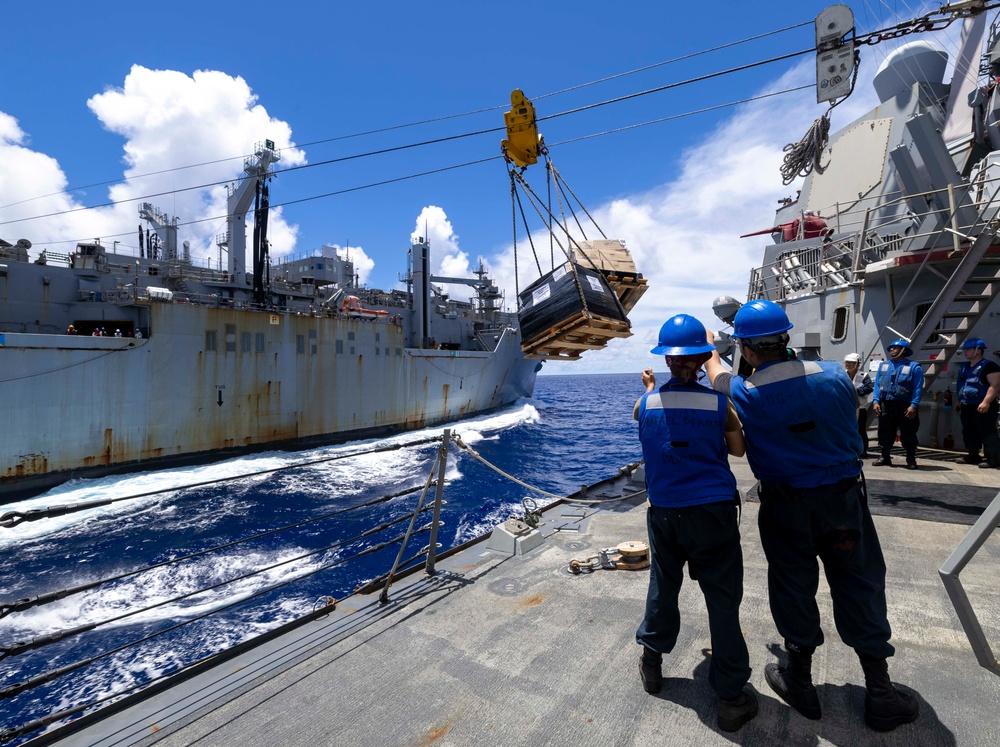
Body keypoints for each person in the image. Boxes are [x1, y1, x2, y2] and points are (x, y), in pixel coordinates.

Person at [703, 299, 917, 732]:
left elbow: (718, 375)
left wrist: (710, 346)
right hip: (843, 502)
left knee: (793, 588)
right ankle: (880, 693)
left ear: (745, 348)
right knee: (860, 584)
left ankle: (799, 681)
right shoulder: (838, 374)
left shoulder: (744, 393)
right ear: (787, 338)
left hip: (786, 509)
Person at [633, 314, 757, 733]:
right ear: (703, 359)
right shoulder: (719, 403)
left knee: (663, 587)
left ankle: (652, 662)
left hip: (665, 513)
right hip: (712, 515)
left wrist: (652, 388)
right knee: (722, 600)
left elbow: (646, 413)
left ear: (667, 360)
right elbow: (738, 450)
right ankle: (730, 698)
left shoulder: (645, 404)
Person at [871, 340, 924, 470]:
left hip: (905, 405)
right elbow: (877, 384)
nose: (891, 350)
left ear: (903, 350)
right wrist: (876, 401)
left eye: (895, 348)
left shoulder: (914, 367)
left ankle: (911, 459)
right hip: (887, 404)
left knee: (908, 432)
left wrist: (913, 405)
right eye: (891, 348)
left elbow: (917, 388)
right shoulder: (884, 365)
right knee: (885, 431)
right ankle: (885, 457)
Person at [955, 338, 1000, 469]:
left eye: (968, 349)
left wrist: (986, 402)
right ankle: (973, 454)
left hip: (983, 405)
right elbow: (963, 385)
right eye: (965, 349)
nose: (965, 352)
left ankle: (994, 458)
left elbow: (995, 385)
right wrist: (959, 401)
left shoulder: (989, 366)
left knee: (987, 431)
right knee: (969, 431)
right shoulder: (964, 367)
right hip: (967, 404)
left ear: (978, 351)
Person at [845, 353, 874, 457]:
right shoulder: (842, 375)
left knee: (860, 429)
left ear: (857, 364)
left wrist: (855, 390)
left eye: (852, 363)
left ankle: (863, 450)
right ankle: (848, 449)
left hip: (860, 407)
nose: (849, 365)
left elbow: (869, 388)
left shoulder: (863, 376)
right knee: (847, 428)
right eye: (847, 362)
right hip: (846, 408)